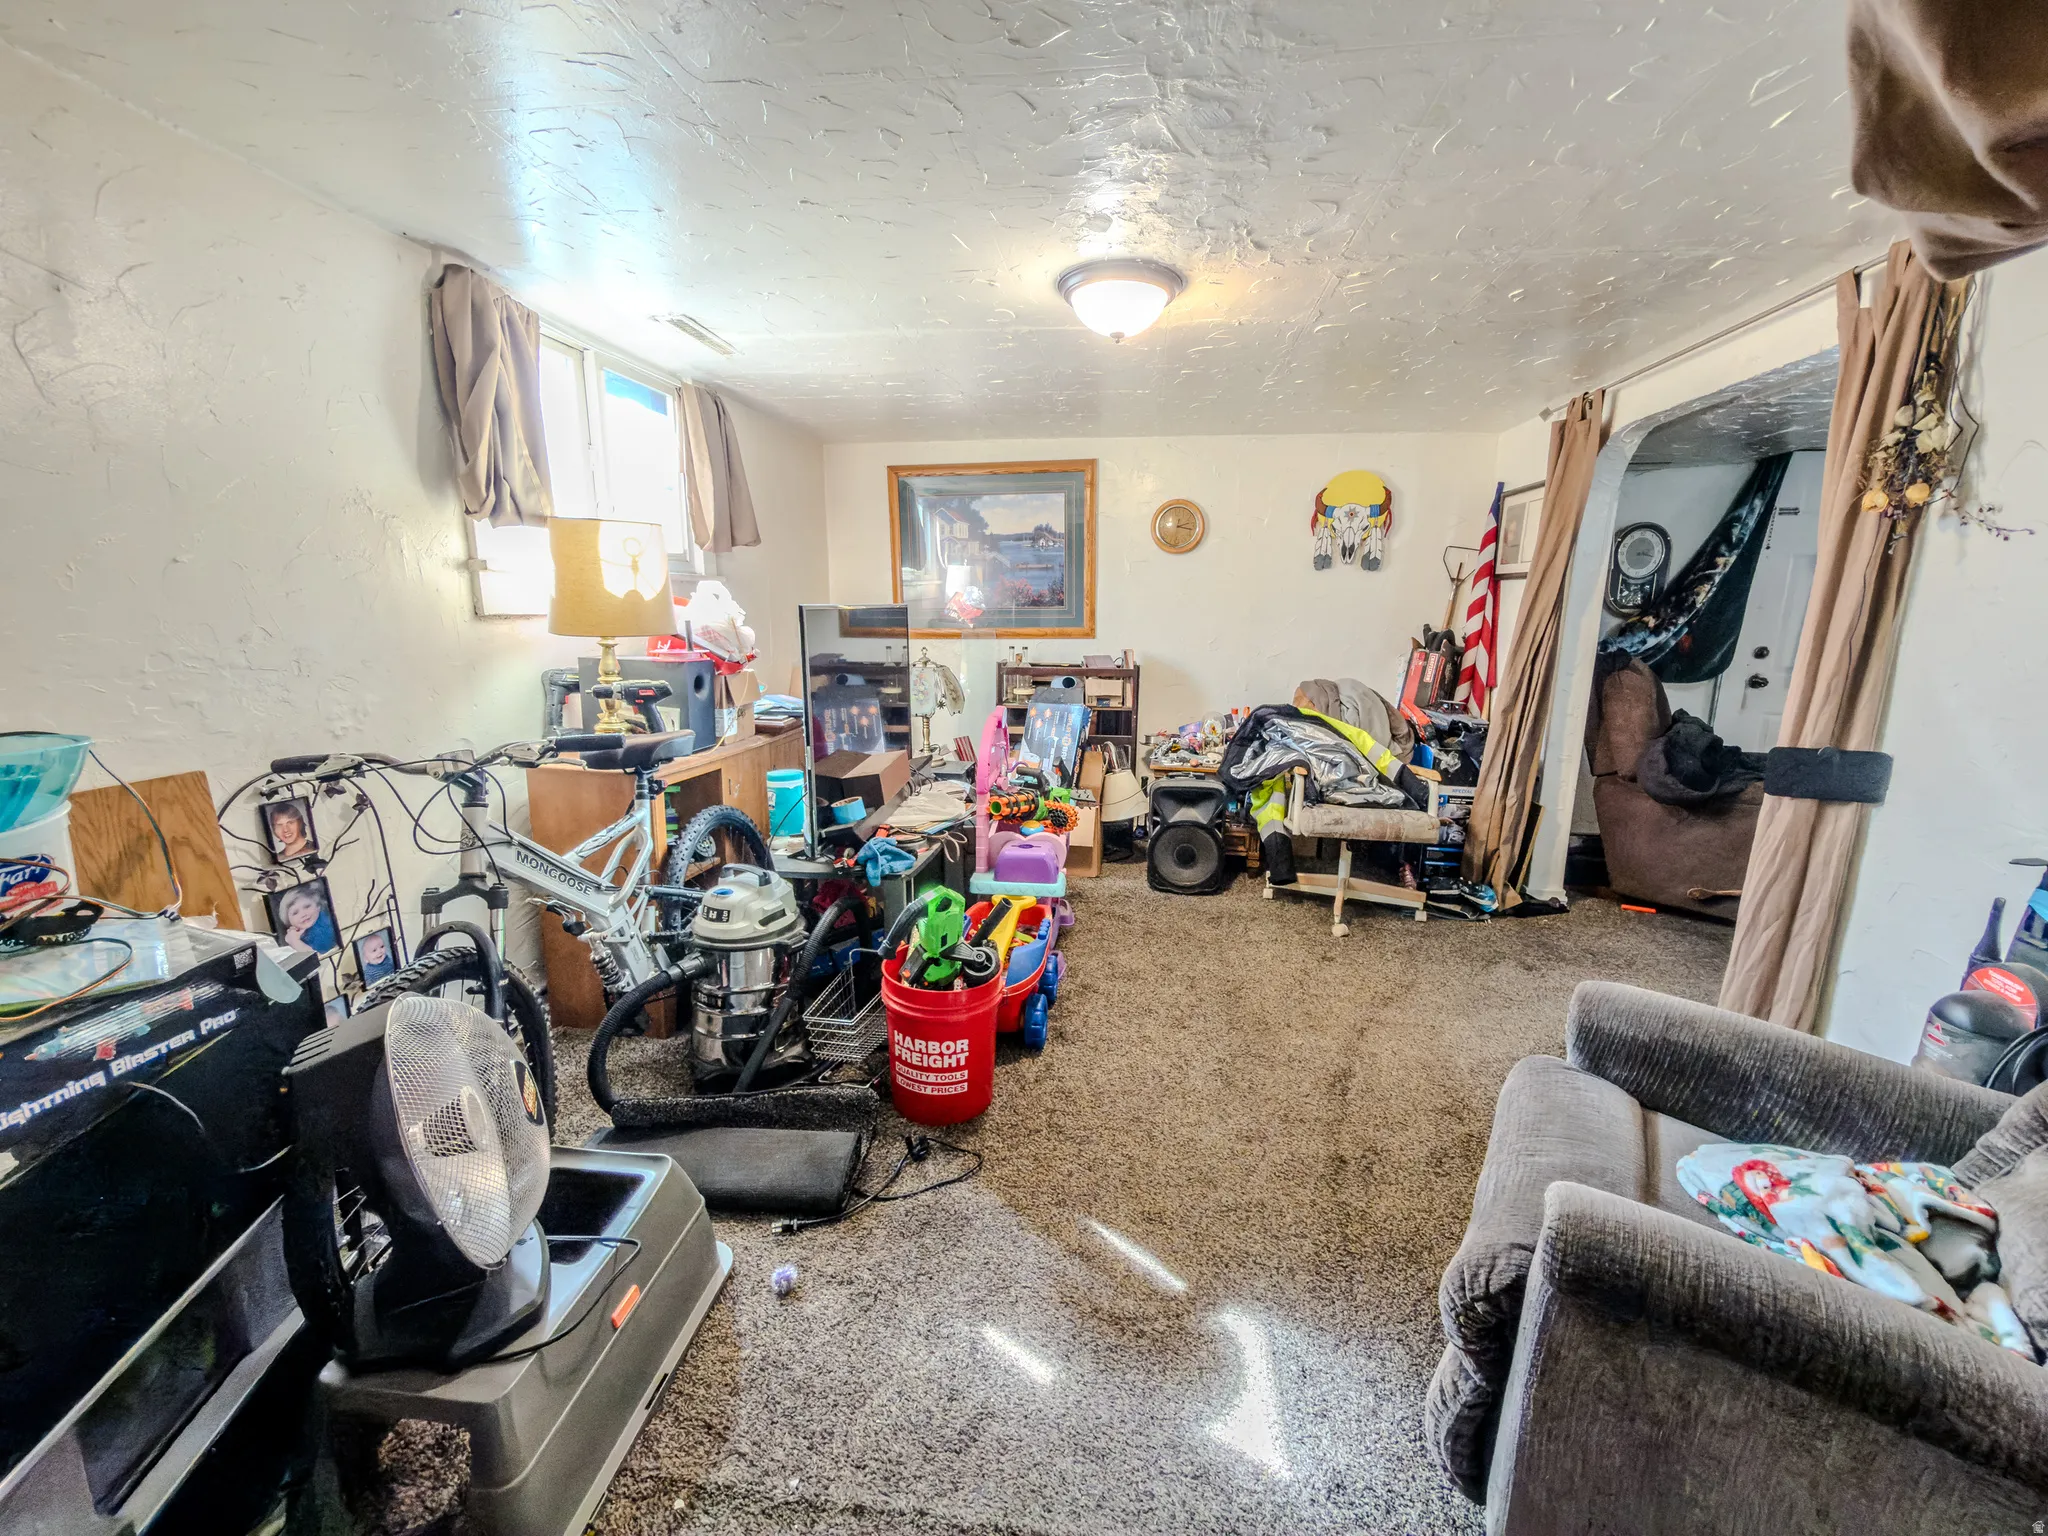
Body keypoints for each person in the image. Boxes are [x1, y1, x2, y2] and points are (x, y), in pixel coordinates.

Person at [277, 884, 338, 957]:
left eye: (307, 906)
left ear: (318, 907)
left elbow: (320, 960)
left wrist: (295, 942)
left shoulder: (329, 925)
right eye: (295, 913)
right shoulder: (293, 935)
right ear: (288, 921)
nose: (303, 914)